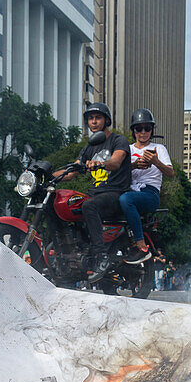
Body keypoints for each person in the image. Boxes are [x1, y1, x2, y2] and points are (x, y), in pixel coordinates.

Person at [60, 102, 131, 281]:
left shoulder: (118, 140)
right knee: (68, 204)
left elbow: (115, 162)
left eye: (97, 118)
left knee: (89, 205)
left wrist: (99, 163)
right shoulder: (89, 147)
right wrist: (45, 175)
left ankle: (102, 256)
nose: (93, 121)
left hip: (116, 193)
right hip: (96, 193)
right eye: (90, 118)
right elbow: (72, 171)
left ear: (106, 120)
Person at [121, 108, 174, 263]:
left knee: (126, 199)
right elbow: (116, 172)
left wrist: (155, 161)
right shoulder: (127, 149)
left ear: (151, 130)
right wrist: (134, 165)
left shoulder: (159, 149)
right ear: (133, 131)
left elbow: (170, 173)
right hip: (129, 189)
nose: (143, 132)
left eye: (147, 128)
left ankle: (140, 244)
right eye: (139, 129)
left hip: (149, 193)